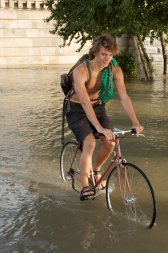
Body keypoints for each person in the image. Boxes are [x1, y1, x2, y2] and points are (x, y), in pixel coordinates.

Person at [66, 34, 144, 200]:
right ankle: (85, 185)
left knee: (110, 142)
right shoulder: (80, 72)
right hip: (76, 108)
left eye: (110, 55)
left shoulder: (114, 69)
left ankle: (96, 170)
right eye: (103, 54)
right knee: (90, 143)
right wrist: (99, 128)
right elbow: (85, 103)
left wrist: (135, 122)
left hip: (98, 107)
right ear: (95, 53)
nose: (107, 58)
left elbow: (124, 96)